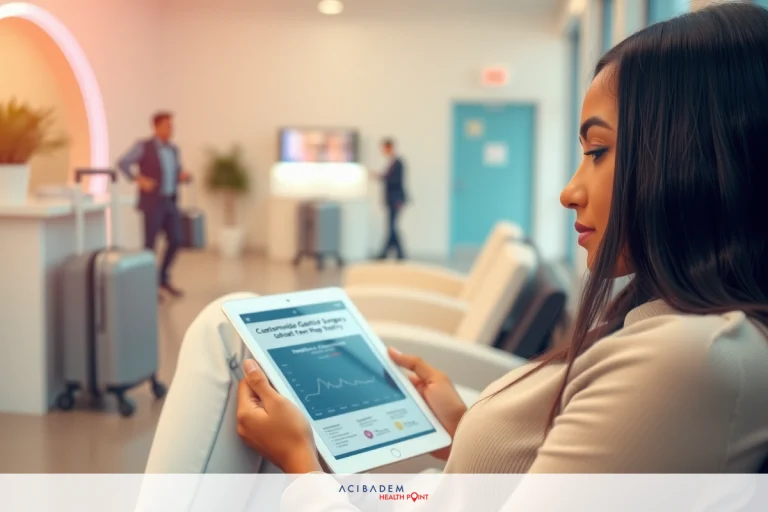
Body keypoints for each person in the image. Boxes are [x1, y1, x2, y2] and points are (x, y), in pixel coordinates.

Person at [144, 0, 768, 499]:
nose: (569, 191)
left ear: (699, 161)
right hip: (431, 490)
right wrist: (462, 427)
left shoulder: (693, 357)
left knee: (223, 332)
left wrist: (303, 469)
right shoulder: (671, 324)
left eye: (598, 151)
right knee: (238, 320)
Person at [118, 111, 191, 299]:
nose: (171, 129)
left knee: (176, 239)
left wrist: (182, 176)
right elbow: (123, 162)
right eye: (168, 125)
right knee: (150, 245)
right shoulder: (143, 146)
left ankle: (163, 278)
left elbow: (175, 171)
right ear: (156, 127)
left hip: (170, 201)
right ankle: (148, 285)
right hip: (152, 203)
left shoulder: (174, 149)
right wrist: (138, 179)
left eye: (172, 126)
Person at [370, 138, 407, 260]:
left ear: (390, 148)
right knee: (392, 227)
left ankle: (385, 253)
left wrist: (380, 176)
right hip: (390, 199)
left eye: (384, 148)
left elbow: (396, 181)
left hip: (396, 200)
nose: (383, 151)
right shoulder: (391, 163)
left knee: (392, 227)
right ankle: (399, 254)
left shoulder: (398, 163)